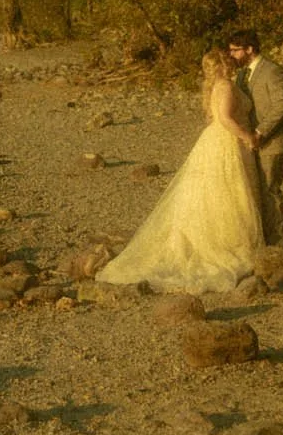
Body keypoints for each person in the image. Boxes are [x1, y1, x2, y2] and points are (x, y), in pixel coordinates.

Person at [94, 49, 265, 294]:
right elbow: (226, 118)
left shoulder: (216, 85)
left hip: (219, 141)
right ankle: (229, 244)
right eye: (228, 62)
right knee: (230, 194)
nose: (232, 64)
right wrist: (247, 136)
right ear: (222, 66)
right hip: (228, 142)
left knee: (222, 195)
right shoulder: (225, 86)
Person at [228, 30, 283, 245]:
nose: (231, 55)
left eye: (235, 50)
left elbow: (282, 105)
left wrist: (260, 132)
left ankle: (278, 244)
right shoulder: (242, 74)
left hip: (274, 140)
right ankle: (264, 240)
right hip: (252, 141)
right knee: (255, 191)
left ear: (249, 49)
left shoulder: (273, 71)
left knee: (270, 190)